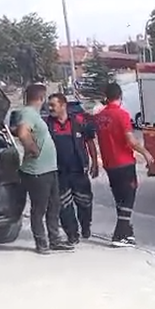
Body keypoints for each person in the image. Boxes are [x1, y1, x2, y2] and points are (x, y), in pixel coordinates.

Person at [11, 84, 74, 254]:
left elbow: (18, 130)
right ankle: (41, 242)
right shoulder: (29, 113)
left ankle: (54, 239)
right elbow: (23, 133)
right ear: (41, 98)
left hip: (49, 169)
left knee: (55, 206)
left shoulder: (34, 115)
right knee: (39, 209)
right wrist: (33, 149)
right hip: (37, 171)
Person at [93, 82, 154, 247]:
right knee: (128, 198)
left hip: (109, 163)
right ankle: (119, 234)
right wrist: (146, 153)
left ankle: (127, 233)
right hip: (124, 162)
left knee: (120, 199)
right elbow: (130, 140)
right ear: (120, 96)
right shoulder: (122, 115)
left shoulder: (99, 117)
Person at [46, 93, 99, 243]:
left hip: (78, 170)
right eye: (49, 105)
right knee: (64, 205)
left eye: (53, 105)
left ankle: (85, 225)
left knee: (85, 202)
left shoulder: (79, 122)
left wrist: (94, 163)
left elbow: (90, 143)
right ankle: (72, 234)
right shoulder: (47, 124)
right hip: (59, 172)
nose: (50, 108)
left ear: (63, 106)